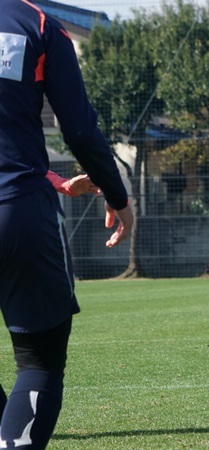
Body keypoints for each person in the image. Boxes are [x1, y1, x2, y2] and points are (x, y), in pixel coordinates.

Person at [0, 1, 133, 448]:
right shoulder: (37, 25)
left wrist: (55, 180)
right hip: (18, 211)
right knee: (38, 362)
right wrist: (117, 196)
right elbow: (78, 130)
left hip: (22, 196)